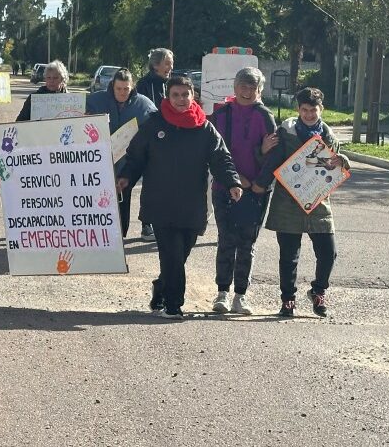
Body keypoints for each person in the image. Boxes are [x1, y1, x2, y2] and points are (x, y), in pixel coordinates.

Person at [117, 75, 242, 319]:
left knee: (180, 254)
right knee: (171, 254)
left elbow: (221, 158)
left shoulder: (204, 127)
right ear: (167, 96)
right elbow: (135, 157)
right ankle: (174, 305)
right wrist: (126, 178)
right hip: (160, 201)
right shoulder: (154, 124)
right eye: (175, 95)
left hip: (192, 203)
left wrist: (232, 182)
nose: (181, 99)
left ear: (193, 95)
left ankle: (161, 287)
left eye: (185, 94)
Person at [253, 87, 350, 318]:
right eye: (304, 110)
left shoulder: (329, 138)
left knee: (328, 253)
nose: (308, 114)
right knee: (289, 256)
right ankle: (288, 300)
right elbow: (270, 161)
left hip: (318, 205)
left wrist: (343, 161)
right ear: (298, 110)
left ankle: (318, 291)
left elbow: (335, 173)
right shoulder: (285, 134)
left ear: (321, 110)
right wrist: (259, 184)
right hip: (287, 204)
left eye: (313, 110)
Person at [207, 67, 278, 315]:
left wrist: (259, 183)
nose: (247, 91)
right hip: (225, 187)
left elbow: (275, 154)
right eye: (243, 86)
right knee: (226, 240)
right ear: (235, 88)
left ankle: (241, 295)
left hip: (257, 190)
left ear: (260, 90)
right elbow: (214, 153)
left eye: (253, 87)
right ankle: (222, 293)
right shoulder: (221, 115)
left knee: (247, 243)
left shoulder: (265, 116)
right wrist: (237, 180)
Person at [85, 68, 157, 238]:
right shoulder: (96, 100)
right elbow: (75, 115)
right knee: (99, 200)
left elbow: (156, 127)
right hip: (99, 162)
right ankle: (99, 236)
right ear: (113, 86)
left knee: (122, 199)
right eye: (119, 88)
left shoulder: (144, 104)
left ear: (132, 87)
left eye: (126, 89)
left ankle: (119, 237)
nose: (122, 92)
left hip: (128, 164)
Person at [133, 48, 174, 242]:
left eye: (171, 63)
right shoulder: (144, 84)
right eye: (167, 63)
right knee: (150, 182)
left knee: (166, 182)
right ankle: (146, 225)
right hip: (150, 139)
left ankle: (164, 221)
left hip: (170, 140)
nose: (170, 67)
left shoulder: (170, 84)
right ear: (155, 65)